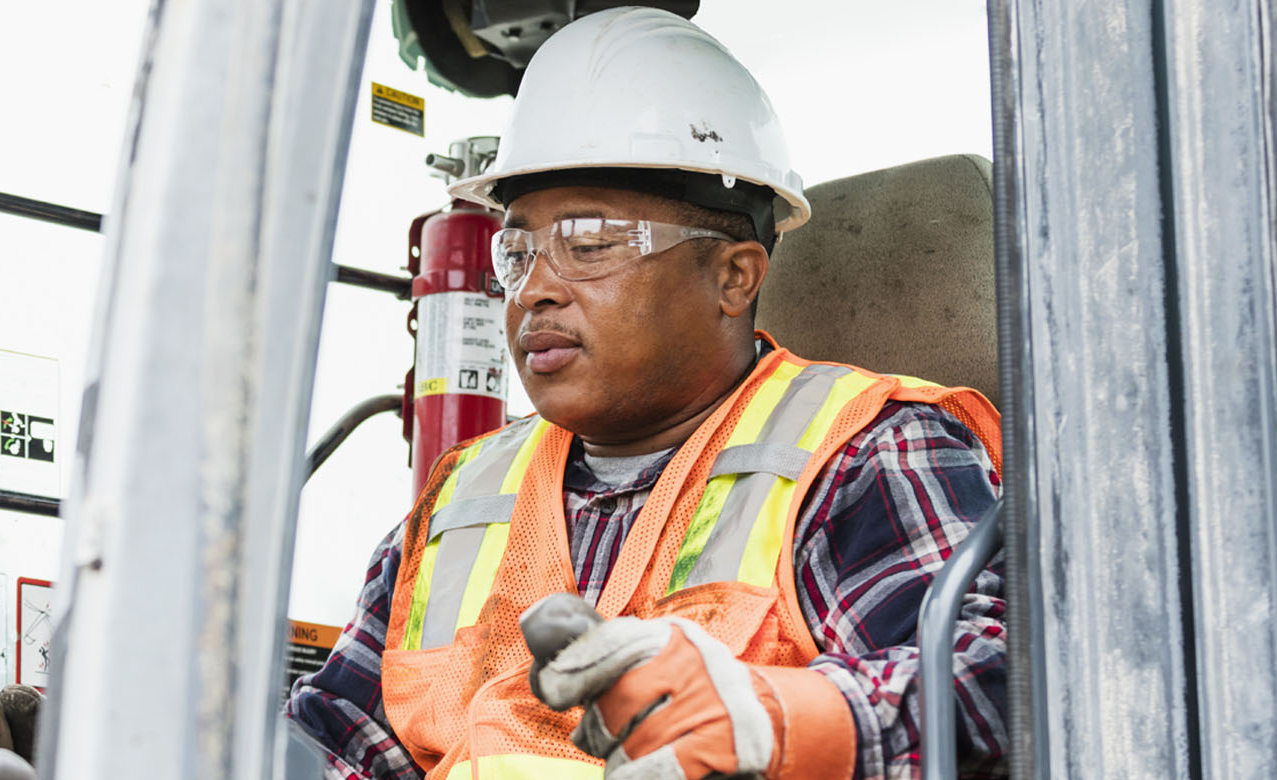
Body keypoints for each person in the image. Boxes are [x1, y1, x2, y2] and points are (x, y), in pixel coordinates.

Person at [288, 7, 1007, 780]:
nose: (534, 291)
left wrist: (771, 721)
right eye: (517, 251)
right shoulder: (464, 498)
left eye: (589, 243)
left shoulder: (866, 452)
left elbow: (991, 686)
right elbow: (338, 739)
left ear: (734, 276)